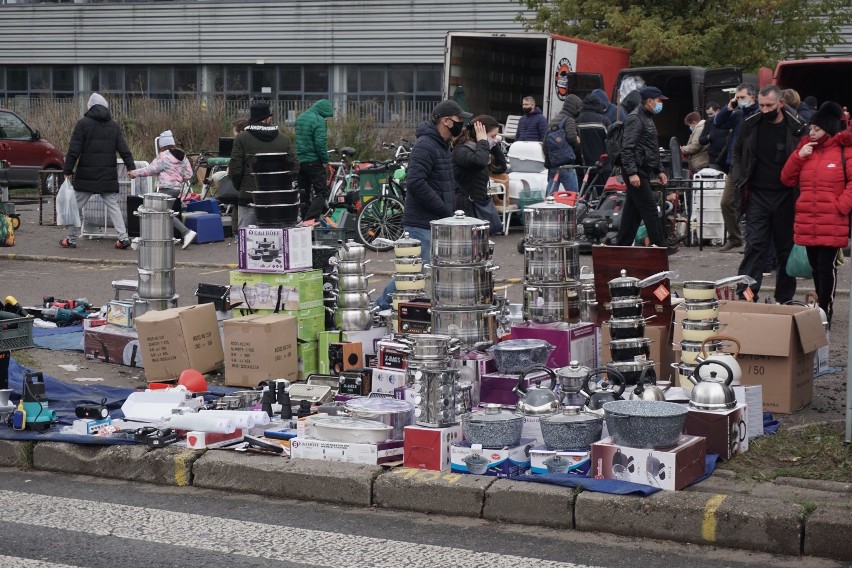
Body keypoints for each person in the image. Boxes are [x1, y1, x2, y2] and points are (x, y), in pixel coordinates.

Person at [375, 100, 470, 310]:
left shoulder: (441, 145)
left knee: (416, 274)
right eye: (458, 120)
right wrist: (444, 210)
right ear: (446, 121)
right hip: (421, 223)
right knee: (411, 274)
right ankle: (379, 308)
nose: (461, 124)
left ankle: (396, 310)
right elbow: (416, 182)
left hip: (433, 222)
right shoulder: (426, 144)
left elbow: (441, 181)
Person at [780, 101, 852, 326]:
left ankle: (825, 308)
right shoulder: (806, 150)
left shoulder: (844, 151)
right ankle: (820, 306)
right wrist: (799, 155)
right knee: (814, 267)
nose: (811, 132)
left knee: (825, 266)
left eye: (817, 129)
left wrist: (841, 206)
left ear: (828, 129)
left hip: (831, 219)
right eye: (811, 128)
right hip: (807, 217)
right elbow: (786, 178)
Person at [733, 84, 806, 304]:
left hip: (786, 195)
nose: (765, 110)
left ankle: (784, 298)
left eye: (769, 105)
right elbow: (737, 153)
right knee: (755, 245)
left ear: (781, 103)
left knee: (785, 249)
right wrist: (739, 177)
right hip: (757, 194)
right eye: (762, 105)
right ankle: (746, 295)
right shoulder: (750, 124)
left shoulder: (797, 127)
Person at [60, 93, 135, 250]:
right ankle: (123, 238)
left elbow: (74, 150)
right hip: (107, 175)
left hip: (87, 175)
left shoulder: (83, 124)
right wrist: (131, 167)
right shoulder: (113, 126)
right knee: (113, 206)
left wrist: (68, 169)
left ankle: (71, 239)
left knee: (76, 206)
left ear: (90, 107)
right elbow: (124, 149)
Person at [614, 86, 675, 253]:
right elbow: (627, 148)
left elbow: (651, 148)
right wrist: (633, 172)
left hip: (642, 170)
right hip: (637, 171)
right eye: (658, 101)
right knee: (649, 208)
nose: (660, 104)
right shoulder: (636, 118)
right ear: (649, 101)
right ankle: (660, 246)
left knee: (632, 214)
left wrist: (659, 170)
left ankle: (621, 246)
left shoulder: (646, 117)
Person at [229, 101, 297, 228]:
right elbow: (293, 167)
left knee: (247, 238)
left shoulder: (241, 138)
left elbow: (235, 169)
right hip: (278, 199)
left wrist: (242, 187)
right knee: (275, 239)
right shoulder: (284, 139)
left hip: (249, 196)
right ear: (268, 118)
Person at [128, 130, 197, 249]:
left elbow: (150, 170)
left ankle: (186, 232)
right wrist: (179, 179)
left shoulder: (163, 156)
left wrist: (134, 173)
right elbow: (189, 174)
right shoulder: (182, 156)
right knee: (163, 213)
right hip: (176, 188)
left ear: (162, 145)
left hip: (165, 188)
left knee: (160, 213)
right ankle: (160, 238)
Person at [713, 83, 759, 251]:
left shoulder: (758, 113)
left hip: (751, 165)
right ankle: (735, 237)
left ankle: (752, 241)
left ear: (752, 98)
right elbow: (717, 123)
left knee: (750, 204)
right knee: (726, 202)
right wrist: (729, 107)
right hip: (734, 164)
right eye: (737, 97)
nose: (739, 100)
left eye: (742, 97)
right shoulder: (738, 114)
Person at [452, 114, 504, 234]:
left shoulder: (482, 151)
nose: (495, 138)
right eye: (493, 136)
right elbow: (479, 161)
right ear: (480, 134)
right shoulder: (461, 150)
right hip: (465, 205)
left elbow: (501, 167)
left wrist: (494, 144)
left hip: (479, 202)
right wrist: (483, 142)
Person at [295, 99, 334, 221]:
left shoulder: (301, 117)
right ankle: (310, 219)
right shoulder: (319, 120)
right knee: (322, 191)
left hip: (302, 161)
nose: (326, 117)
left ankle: (304, 220)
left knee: (304, 192)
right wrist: (325, 159)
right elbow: (320, 143)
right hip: (314, 161)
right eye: (326, 115)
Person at [544, 100, 581, 195]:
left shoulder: (553, 121)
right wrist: (577, 145)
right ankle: (573, 210)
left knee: (550, 198)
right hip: (566, 165)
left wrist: (549, 163)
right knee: (573, 196)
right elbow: (572, 137)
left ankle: (547, 210)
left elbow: (545, 145)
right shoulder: (569, 120)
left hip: (553, 166)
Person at [577, 92, 612, 184]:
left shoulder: (577, 121)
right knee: (603, 196)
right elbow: (613, 141)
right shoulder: (603, 121)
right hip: (602, 167)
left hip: (582, 168)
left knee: (583, 196)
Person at [698, 102, 728, 169]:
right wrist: (708, 137)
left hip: (727, 157)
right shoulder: (709, 122)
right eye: (708, 114)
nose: (710, 116)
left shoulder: (728, 120)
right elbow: (701, 140)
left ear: (718, 111)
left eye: (711, 114)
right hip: (714, 158)